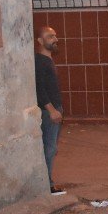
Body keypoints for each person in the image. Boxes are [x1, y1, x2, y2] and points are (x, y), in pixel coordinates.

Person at [34, 26, 65, 195]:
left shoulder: (47, 60)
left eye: (55, 35)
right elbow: (39, 88)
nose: (54, 39)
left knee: (51, 147)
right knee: (49, 147)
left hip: (54, 108)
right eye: (49, 36)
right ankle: (47, 185)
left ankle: (47, 183)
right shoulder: (39, 61)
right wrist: (52, 109)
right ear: (40, 41)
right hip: (49, 111)